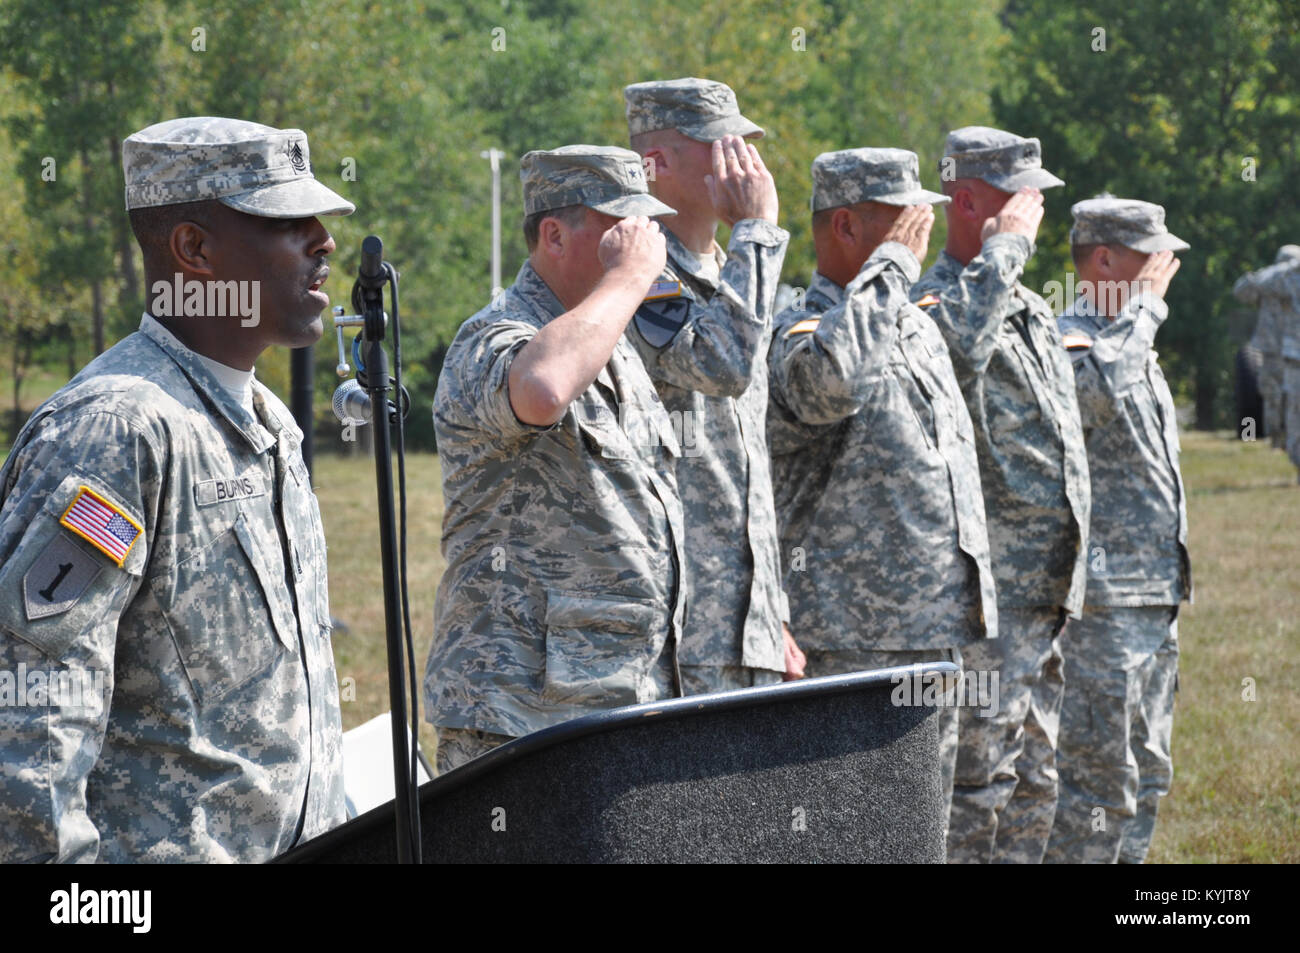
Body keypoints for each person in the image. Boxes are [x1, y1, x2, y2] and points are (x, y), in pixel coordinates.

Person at [0, 116, 351, 862]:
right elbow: (30, 722)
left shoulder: (270, 421)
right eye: (287, 222)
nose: (324, 241)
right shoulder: (116, 430)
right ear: (194, 250)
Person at [424, 145, 688, 774]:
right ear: (554, 234)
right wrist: (626, 278)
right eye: (620, 227)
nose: (645, 243)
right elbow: (541, 391)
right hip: (520, 716)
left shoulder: (611, 347)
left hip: (618, 697)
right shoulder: (496, 334)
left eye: (646, 227)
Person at [767, 148, 998, 824]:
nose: (921, 235)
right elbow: (834, 381)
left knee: (920, 833)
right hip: (852, 646)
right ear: (845, 227)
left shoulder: (911, 324)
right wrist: (892, 264)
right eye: (905, 224)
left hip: (932, 632)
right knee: (858, 835)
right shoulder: (802, 332)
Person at [911, 127, 1090, 864]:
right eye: (1021, 198)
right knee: (975, 788)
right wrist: (1003, 251)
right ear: (967, 200)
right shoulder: (931, 303)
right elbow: (947, 357)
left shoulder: (1027, 305)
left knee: (1036, 781)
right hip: (986, 602)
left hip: (1045, 592)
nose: (1034, 215)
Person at [624, 77, 803, 693]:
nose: (745, 161)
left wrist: (770, 613)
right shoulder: (638, 271)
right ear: (655, 163)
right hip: (679, 628)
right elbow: (722, 366)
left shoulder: (734, 275)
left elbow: (747, 461)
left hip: (744, 624)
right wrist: (756, 228)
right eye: (719, 144)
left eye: (745, 142)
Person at [1046, 196, 1190, 864]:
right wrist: (1147, 310)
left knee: (1148, 772)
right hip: (1101, 603)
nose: (1164, 270)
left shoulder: (1131, 341)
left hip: (1153, 599)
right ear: (1103, 259)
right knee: (1097, 790)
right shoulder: (1069, 339)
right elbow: (1091, 399)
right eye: (1149, 257)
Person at [1234, 246, 1300, 472]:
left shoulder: (1292, 280)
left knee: (1292, 400)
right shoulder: (1271, 281)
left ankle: (1290, 443)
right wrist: (1259, 276)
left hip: (1292, 347)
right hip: (1271, 348)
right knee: (1271, 395)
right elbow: (1242, 292)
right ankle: (1273, 438)